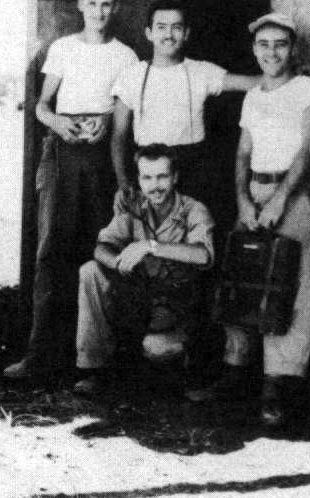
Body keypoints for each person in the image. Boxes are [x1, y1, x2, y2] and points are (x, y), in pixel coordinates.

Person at [186, 13, 310, 427]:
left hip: (297, 194)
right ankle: (234, 373)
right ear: (254, 49)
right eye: (264, 44)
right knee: (241, 276)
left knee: (292, 284)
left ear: (292, 48)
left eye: (280, 44)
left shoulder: (309, 89)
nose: (272, 52)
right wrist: (244, 201)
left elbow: (308, 150)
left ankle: (276, 388)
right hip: (256, 192)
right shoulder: (254, 96)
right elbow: (243, 153)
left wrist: (280, 201)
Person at [4, 0, 139, 380]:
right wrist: (60, 123)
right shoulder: (62, 49)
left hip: (102, 158)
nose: (99, 12)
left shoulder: (126, 56)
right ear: (81, 6)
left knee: (98, 250)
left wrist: (101, 121)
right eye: (92, 3)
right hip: (63, 154)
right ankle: (41, 355)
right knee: (51, 251)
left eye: (106, 5)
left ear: (114, 9)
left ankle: (94, 361)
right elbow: (41, 107)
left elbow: (121, 117)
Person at [73, 143, 216, 394]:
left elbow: (203, 255)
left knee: (157, 349)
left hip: (178, 303)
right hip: (139, 298)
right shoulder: (135, 205)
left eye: (162, 176)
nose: (155, 185)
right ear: (138, 179)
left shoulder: (194, 209)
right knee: (90, 271)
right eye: (147, 178)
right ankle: (97, 369)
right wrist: (117, 262)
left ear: (175, 178)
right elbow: (101, 247)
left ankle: (183, 370)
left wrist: (150, 246)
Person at [110, 0, 258, 209]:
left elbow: (251, 83)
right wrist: (123, 182)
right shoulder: (131, 76)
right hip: (148, 171)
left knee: (193, 232)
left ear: (186, 33)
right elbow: (118, 137)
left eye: (176, 28)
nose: (169, 35)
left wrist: (292, 77)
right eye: (161, 27)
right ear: (149, 33)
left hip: (193, 171)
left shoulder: (202, 71)